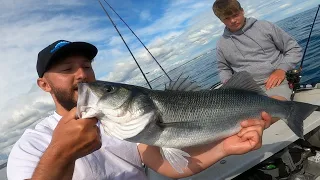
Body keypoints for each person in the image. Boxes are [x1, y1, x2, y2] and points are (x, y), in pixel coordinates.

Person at [7, 40, 272, 180]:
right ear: (44, 84)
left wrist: (225, 148)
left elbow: (167, 166)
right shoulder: (30, 146)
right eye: (67, 69)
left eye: (86, 66)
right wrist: (60, 154)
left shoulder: (119, 120)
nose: (82, 75)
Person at [212, 0, 303, 100]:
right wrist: (229, 85)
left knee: (270, 110)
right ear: (221, 20)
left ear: (242, 11)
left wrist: (281, 70)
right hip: (245, 92)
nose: (232, 20)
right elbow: (224, 69)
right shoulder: (221, 43)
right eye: (227, 18)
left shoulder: (265, 26)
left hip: (276, 83)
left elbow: (293, 49)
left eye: (235, 15)